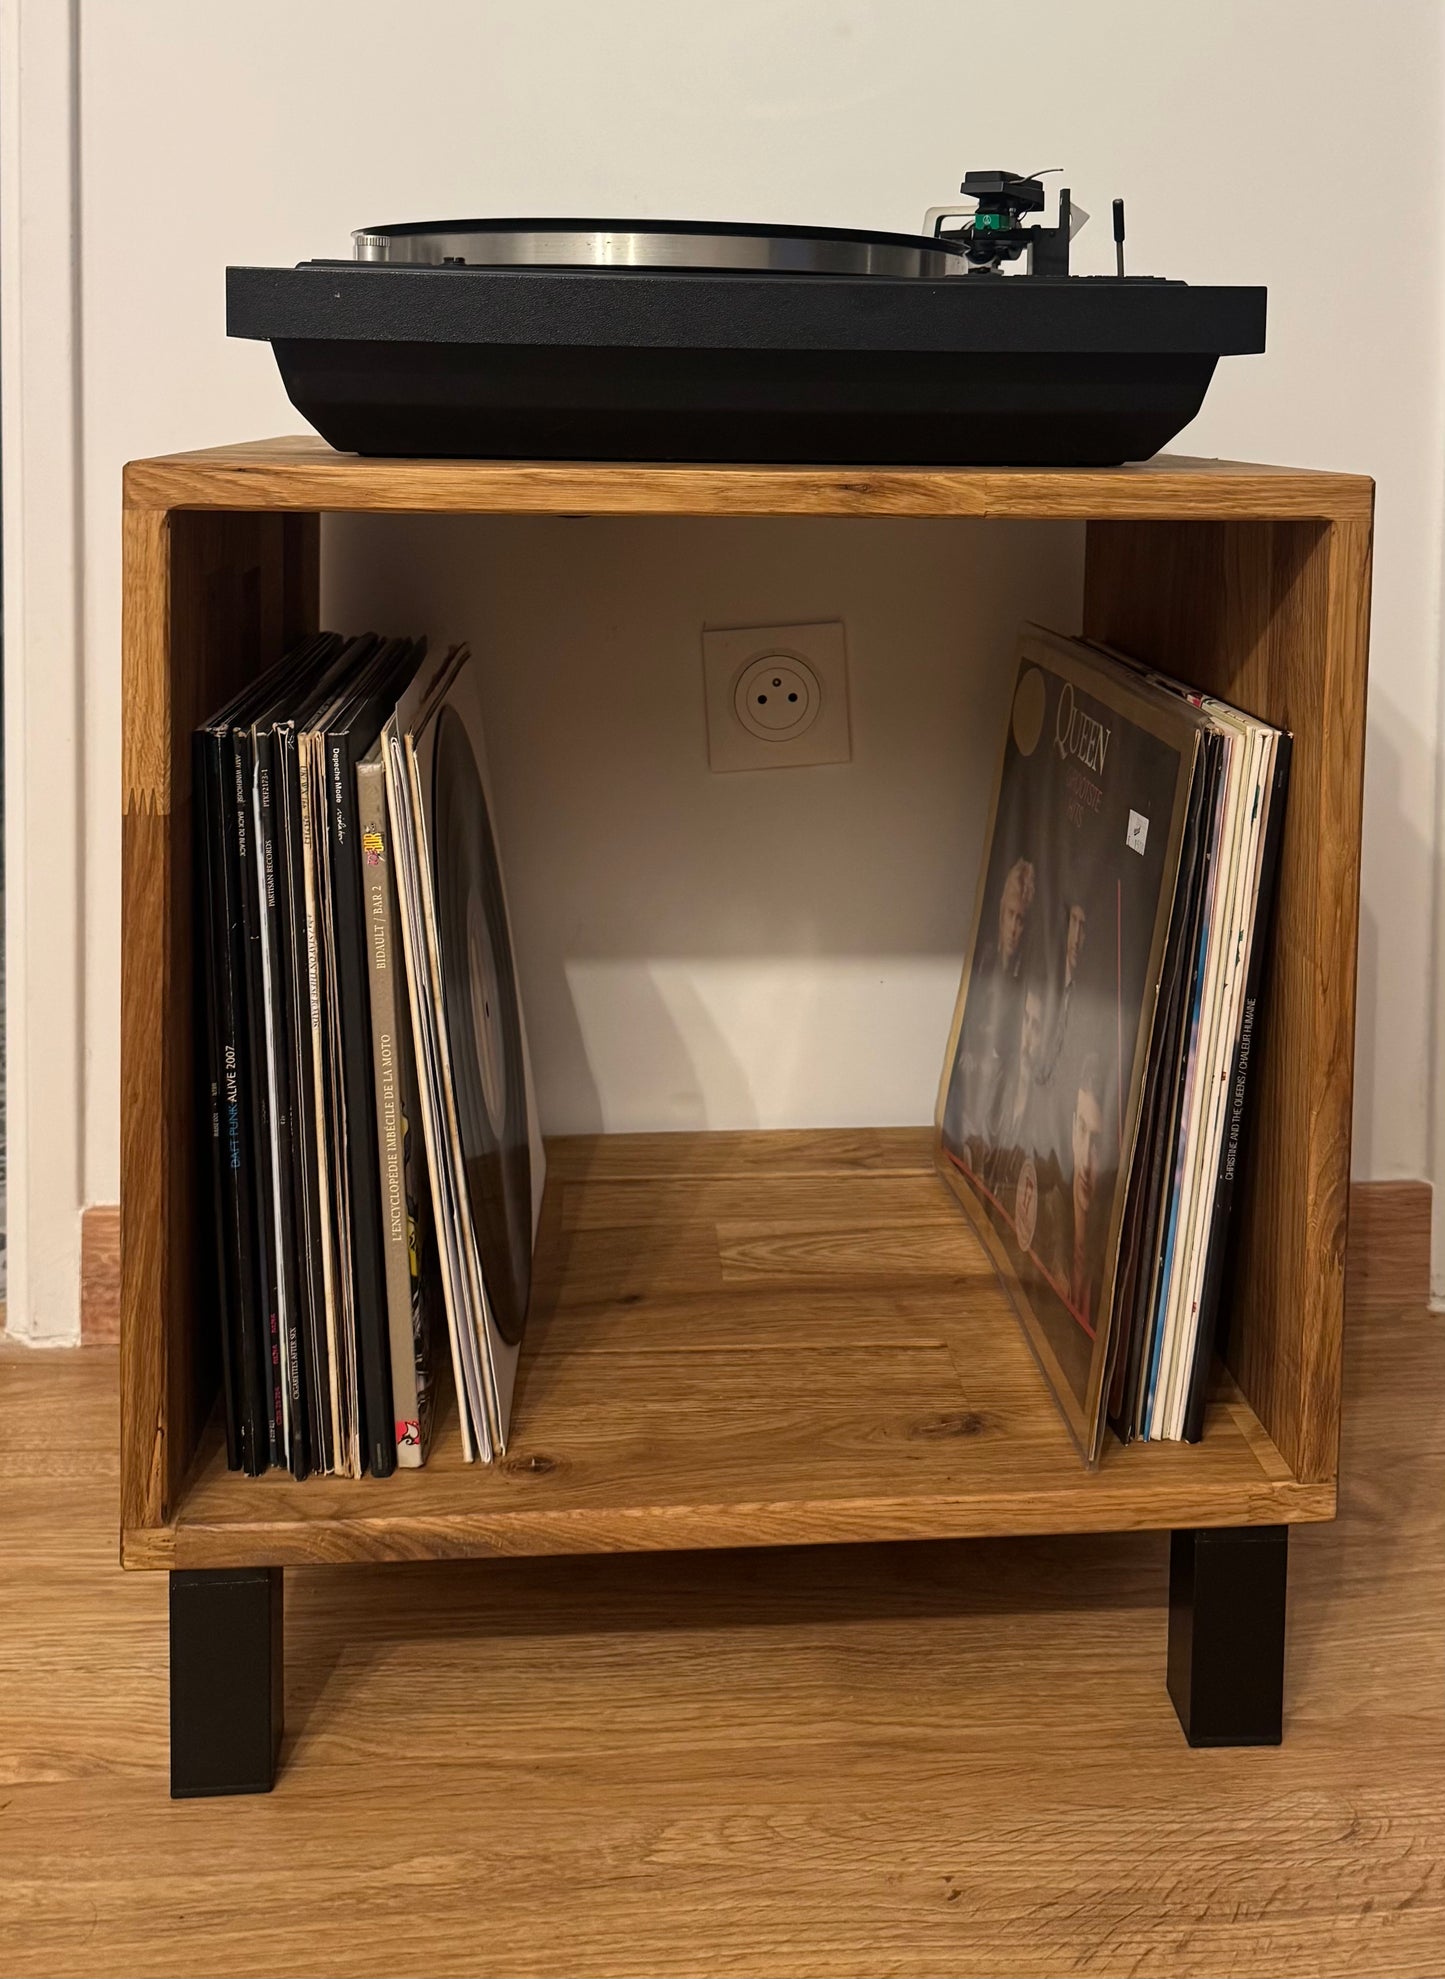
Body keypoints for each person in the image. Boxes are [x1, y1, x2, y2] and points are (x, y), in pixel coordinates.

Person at [941, 855, 1036, 1155]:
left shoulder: (1028, 982)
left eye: (1020, 919)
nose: (1012, 928)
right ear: (1000, 912)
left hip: (998, 1110)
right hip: (965, 1099)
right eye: (1009, 915)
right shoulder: (982, 961)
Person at [1035, 1051, 1109, 1330]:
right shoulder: (1048, 1224)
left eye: (1098, 1143)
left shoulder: (1110, 1263)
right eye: (1081, 1129)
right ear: (1071, 1128)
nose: (1087, 1157)